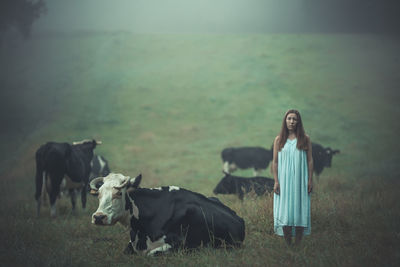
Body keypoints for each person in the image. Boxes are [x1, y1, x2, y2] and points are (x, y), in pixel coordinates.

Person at [272, 109, 313, 246]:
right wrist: (276, 181)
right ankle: (289, 245)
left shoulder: (305, 139)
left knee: (299, 209)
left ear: (298, 121)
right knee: (286, 211)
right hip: (284, 181)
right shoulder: (279, 139)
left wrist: (309, 180)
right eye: (289, 118)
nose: (291, 121)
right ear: (285, 121)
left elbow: (309, 161)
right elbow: (275, 162)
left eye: (294, 119)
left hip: (300, 180)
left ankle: (298, 244)